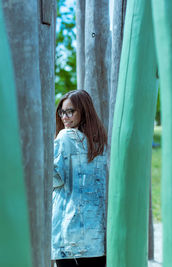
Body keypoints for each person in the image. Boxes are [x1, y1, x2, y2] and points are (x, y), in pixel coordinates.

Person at [51, 90, 108, 267]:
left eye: (70, 111)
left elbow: (54, 179)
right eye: (62, 112)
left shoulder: (65, 137)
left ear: (83, 111)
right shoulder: (99, 143)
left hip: (69, 230)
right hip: (96, 231)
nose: (64, 117)